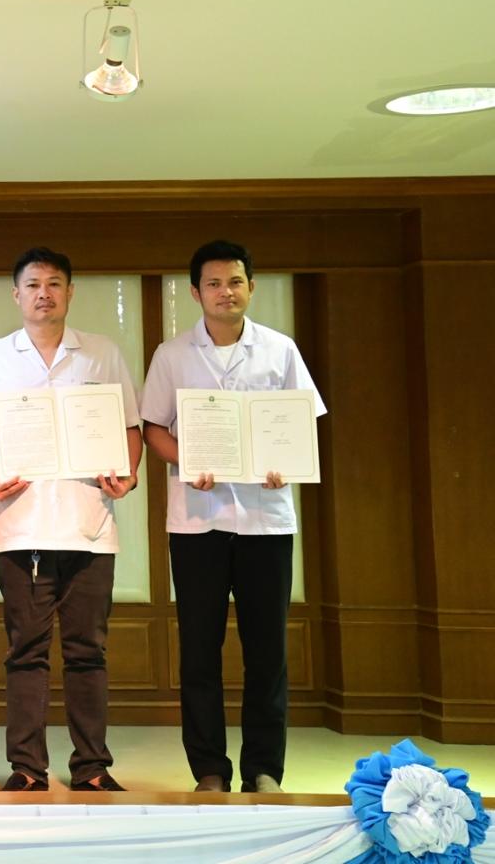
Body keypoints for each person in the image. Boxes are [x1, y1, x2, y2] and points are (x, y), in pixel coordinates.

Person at [141, 240, 326, 794]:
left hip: (266, 521)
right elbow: (154, 429)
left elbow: (302, 423)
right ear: (195, 292)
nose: (226, 292)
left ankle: (264, 770)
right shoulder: (172, 355)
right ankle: (209, 770)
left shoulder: (280, 350)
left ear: (252, 286)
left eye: (236, 281)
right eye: (215, 283)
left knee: (267, 651)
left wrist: (287, 463)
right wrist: (187, 462)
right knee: (199, 651)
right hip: (197, 521)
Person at [0, 248, 142, 792]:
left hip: (90, 523)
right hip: (21, 526)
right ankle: (26, 767)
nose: (44, 294)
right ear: (17, 294)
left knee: (88, 652)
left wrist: (128, 476)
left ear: (70, 292)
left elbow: (129, 426)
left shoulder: (102, 353)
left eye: (54, 284)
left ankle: (92, 767)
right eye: (33, 284)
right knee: (25, 653)